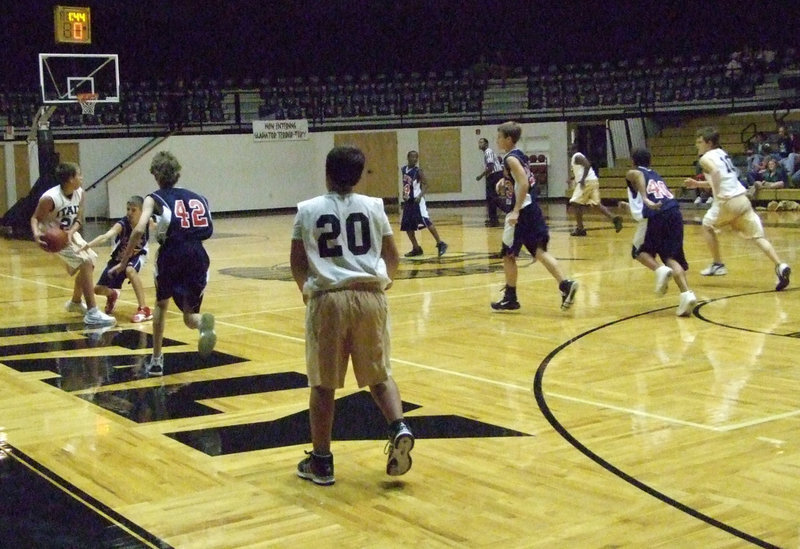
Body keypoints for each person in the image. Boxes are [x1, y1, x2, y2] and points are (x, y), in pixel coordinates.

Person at [290, 145, 414, 486]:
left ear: (327, 173)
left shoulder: (308, 209)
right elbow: (393, 256)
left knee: (323, 383)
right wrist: (381, 286)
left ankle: (322, 462)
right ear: (359, 176)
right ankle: (399, 426)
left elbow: (297, 262)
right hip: (370, 295)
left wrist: (307, 291)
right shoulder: (375, 207)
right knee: (380, 374)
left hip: (329, 298)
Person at [113, 151, 216, 376]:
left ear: (156, 175)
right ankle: (202, 325)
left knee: (161, 304)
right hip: (198, 253)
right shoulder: (198, 196)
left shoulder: (153, 197)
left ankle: (157, 360)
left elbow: (139, 229)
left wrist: (124, 261)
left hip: (172, 252)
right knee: (189, 316)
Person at [684, 127, 790, 291]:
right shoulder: (722, 153)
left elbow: (716, 172)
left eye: (699, 142)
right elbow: (722, 177)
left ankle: (718, 264)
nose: (696, 145)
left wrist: (718, 195)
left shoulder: (705, 158)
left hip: (728, 201)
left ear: (709, 142)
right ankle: (780, 265)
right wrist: (698, 184)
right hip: (742, 199)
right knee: (758, 237)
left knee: (706, 225)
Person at [491, 121, 579, 311]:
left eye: (499, 137)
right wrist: (504, 180)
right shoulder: (520, 155)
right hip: (533, 209)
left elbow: (523, 183)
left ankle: (510, 298)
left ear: (508, 139)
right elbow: (522, 179)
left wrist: (515, 211)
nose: (497, 140)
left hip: (521, 213)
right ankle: (565, 284)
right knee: (539, 252)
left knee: (508, 254)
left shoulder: (510, 159)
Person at [29, 162, 116, 326]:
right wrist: (36, 234)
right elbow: (35, 218)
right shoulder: (50, 198)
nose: (82, 178)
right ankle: (92, 312)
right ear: (70, 179)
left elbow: (79, 219)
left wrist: (72, 231)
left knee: (90, 263)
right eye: (79, 175)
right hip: (53, 235)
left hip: (69, 233)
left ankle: (75, 302)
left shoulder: (80, 193)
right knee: (85, 262)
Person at [626, 148, 696, 316]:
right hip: (674, 213)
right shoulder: (656, 175)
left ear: (633, 161)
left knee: (638, 251)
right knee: (671, 257)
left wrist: (644, 198)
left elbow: (637, 176)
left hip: (656, 215)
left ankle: (659, 270)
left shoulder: (634, 172)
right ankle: (687, 294)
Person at [79, 195, 154, 322]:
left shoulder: (147, 221)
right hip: (117, 260)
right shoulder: (122, 224)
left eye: (133, 210)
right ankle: (112, 294)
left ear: (142, 212)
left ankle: (144, 309)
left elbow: (160, 226)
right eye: (128, 209)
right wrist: (88, 245)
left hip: (137, 256)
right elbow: (106, 236)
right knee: (97, 290)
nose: (129, 212)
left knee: (130, 270)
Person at [567, 143, 623, 236]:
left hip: (587, 182)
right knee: (596, 204)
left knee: (575, 202)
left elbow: (587, 165)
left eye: (569, 149)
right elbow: (581, 171)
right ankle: (614, 218)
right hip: (593, 181)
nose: (568, 151)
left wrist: (582, 179)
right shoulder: (576, 159)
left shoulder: (577, 156)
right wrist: (573, 179)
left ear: (574, 149)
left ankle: (580, 229)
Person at [400, 150, 448, 257]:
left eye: (416, 157)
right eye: (412, 157)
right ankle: (416, 248)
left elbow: (426, 184)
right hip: (409, 201)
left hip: (417, 201)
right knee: (408, 226)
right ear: (408, 157)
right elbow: (406, 184)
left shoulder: (418, 171)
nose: (415, 159)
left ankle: (440, 243)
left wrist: (420, 195)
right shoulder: (404, 169)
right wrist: (404, 194)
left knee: (425, 221)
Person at [475, 137, 504, 227]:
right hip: (493, 175)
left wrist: (481, 176)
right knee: (490, 198)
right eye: (479, 142)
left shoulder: (488, 152)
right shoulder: (486, 153)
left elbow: (491, 167)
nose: (480, 144)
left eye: (482, 142)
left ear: (486, 144)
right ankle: (493, 219)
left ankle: (507, 210)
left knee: (493, 197)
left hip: (495, 174)